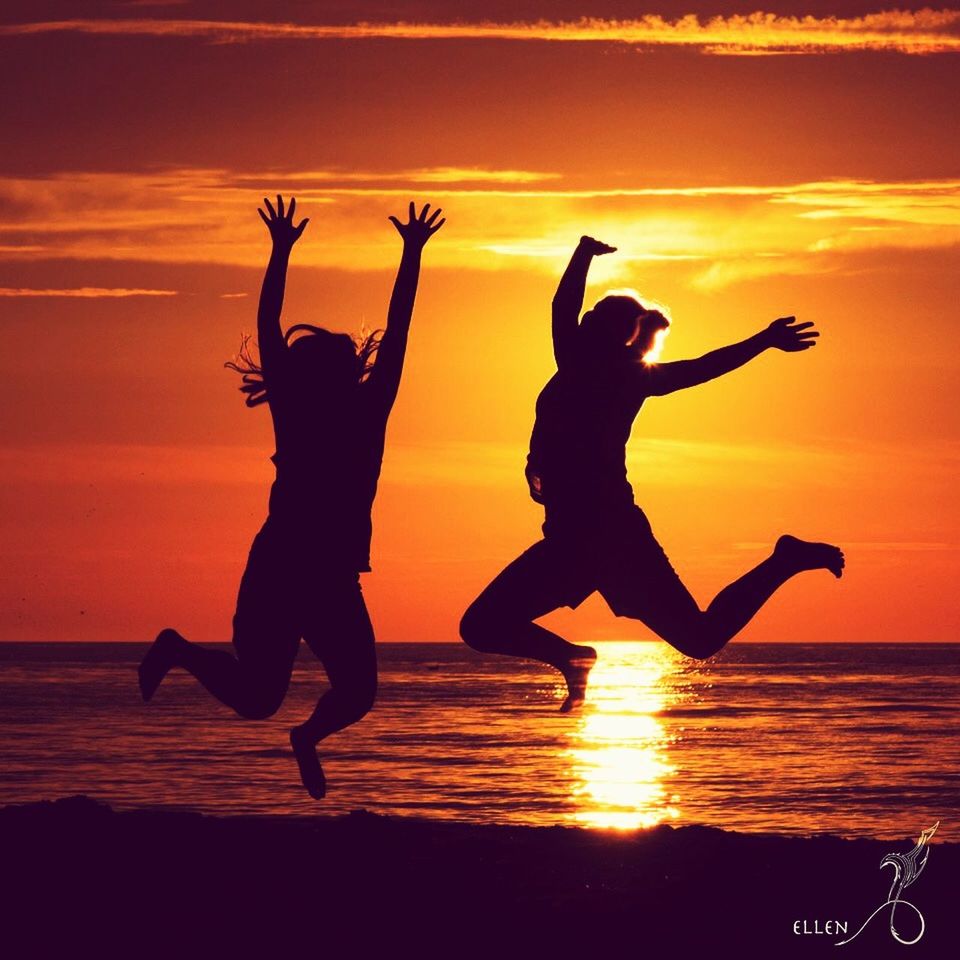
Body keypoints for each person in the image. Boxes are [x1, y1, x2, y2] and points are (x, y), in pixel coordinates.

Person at [139, 196, 445, 798]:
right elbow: (269, 329)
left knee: (358, 693)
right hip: (279, 570)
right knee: (257, 699)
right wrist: (278, 252)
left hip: (332, 578)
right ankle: (177, 648)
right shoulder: (297, 412)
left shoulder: (367, 409)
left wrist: (412, 256)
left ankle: (306, 738)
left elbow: (400, 332)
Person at [460, 235, 844, 711]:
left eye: (595, 317)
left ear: (607, 334)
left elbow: (702, 367)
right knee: (481, 625)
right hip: (569, 540)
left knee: (700, 639)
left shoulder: (607, 370)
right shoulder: (585, 365)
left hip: (613, 537)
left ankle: (783, 561)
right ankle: (571, 657)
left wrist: (762, 341)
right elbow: (567, 306)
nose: (582, 319)